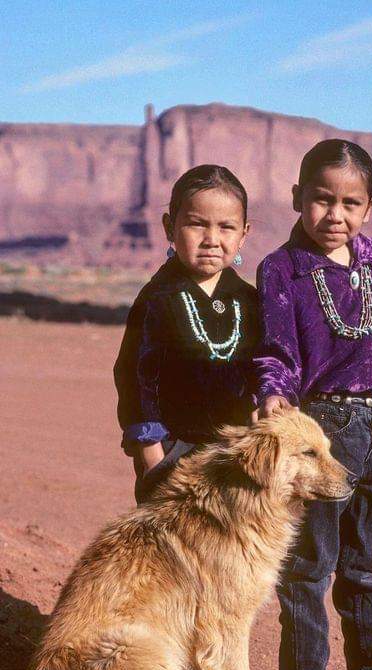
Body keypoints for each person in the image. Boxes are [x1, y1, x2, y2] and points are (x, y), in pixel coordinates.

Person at [255, 139, 372, 670]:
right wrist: (274, 395)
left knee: (364, 566)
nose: (336, 214)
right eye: (322, 199)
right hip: (319, 434)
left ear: (369, 209)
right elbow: (275, 350)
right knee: (309, 564)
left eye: (350, 203)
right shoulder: (282, 268)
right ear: (298, 198)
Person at [114, 164, 259, 504]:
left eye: (226, 227)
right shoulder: (157, 298)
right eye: (197, 224)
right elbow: (135, 376)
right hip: (172, 452)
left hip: (235, 453)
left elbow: (261, 370)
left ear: (244, 233)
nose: (212, 239)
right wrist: (152, 453)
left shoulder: (250, 301)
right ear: (170, 227)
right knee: (173, 548)